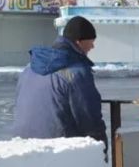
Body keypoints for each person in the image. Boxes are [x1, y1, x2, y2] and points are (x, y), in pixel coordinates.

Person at [11, 15, 107, 144]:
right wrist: (102, 148)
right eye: (91, 41)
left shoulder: (29, 68)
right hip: (57, 147)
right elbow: (89, 119)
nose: (92, 46)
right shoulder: (76, 72)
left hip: (22, 142)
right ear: (79, 41)